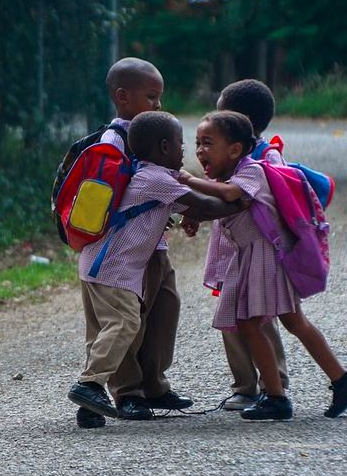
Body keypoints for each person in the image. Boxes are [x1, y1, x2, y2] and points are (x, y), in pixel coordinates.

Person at [178, 110, 347, 421]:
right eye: (197, 143)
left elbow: (230, 195)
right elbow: (222, 205)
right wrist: (194, 215)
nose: (199, 150)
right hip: (255, 258)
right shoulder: (227, 176)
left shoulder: (252, 171)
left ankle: (276, 397)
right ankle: (343, 380)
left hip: (264, 258)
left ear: (235, 149)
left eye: (207, 143)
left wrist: (188, 180)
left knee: (252, 324)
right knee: (291, 322)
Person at [68, 111, 246, 425]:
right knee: (125, 323)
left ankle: (90, 408)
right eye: (180, 145)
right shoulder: (156, 179)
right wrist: (242, 200)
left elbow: (188, 206)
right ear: (164, 147)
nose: (184, 151)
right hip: (112, 269)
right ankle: (89, 385)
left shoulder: (148, 175)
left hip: (97, 263)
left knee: (103, 332)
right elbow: (205, 207)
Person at [75, 58, 188, 429]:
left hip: (152, 245)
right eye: (151, 96)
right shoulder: (116, 142)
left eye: (159, 97)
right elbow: (112, 196)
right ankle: (127, 392)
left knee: (163, 309)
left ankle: (153, 384)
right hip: (120, 252)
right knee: (125, 320)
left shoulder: (152, 134)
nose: (158, 104)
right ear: (122, 97)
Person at [182, 79, 290, 411]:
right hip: (231, 251)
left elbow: (255, 200)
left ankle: (274, 383)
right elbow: (215, 194)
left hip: (258, 252)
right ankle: (245, 386)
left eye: (220, 114)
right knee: (230, 316)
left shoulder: (266, 158)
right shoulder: (222, 156)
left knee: (260, 318)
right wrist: (196, 213)